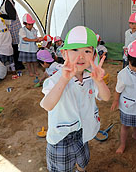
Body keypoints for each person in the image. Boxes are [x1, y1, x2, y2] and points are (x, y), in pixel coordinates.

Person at [40, 26, 111, 172]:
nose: (81, 56)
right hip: (61, 137)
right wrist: (64, 80)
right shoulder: (55, 79)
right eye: (74, 50)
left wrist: (99, 81)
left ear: (93, 55)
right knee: (62, 168)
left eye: (87, 51)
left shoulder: (90, 77)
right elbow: (47, 105)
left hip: (82, 131)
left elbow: (106, 97)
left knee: (83, 161)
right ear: (64, 53)